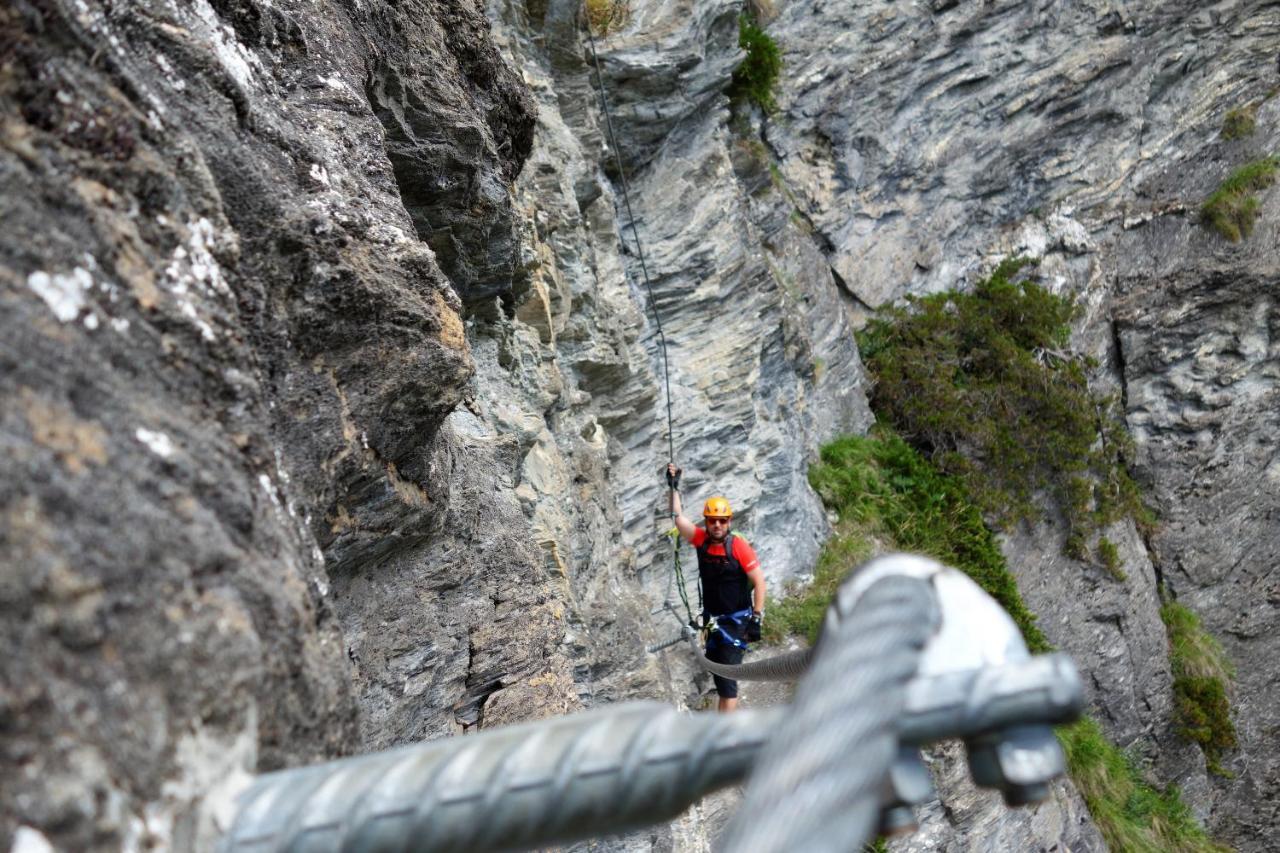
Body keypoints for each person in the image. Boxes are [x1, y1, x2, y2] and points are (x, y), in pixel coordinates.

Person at [666, 463, 766, 712]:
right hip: (712, 620)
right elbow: (678, 519)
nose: (717, 525)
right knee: (716, 669)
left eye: (722, 521)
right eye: (712, 521)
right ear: (707, 522)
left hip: (736, 622)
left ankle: (723, 737)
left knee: (727, 683)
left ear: (729, 521)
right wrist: (673, 487)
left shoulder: (739, 547)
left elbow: (759, 581)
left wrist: (756, 617)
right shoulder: (701, 541)